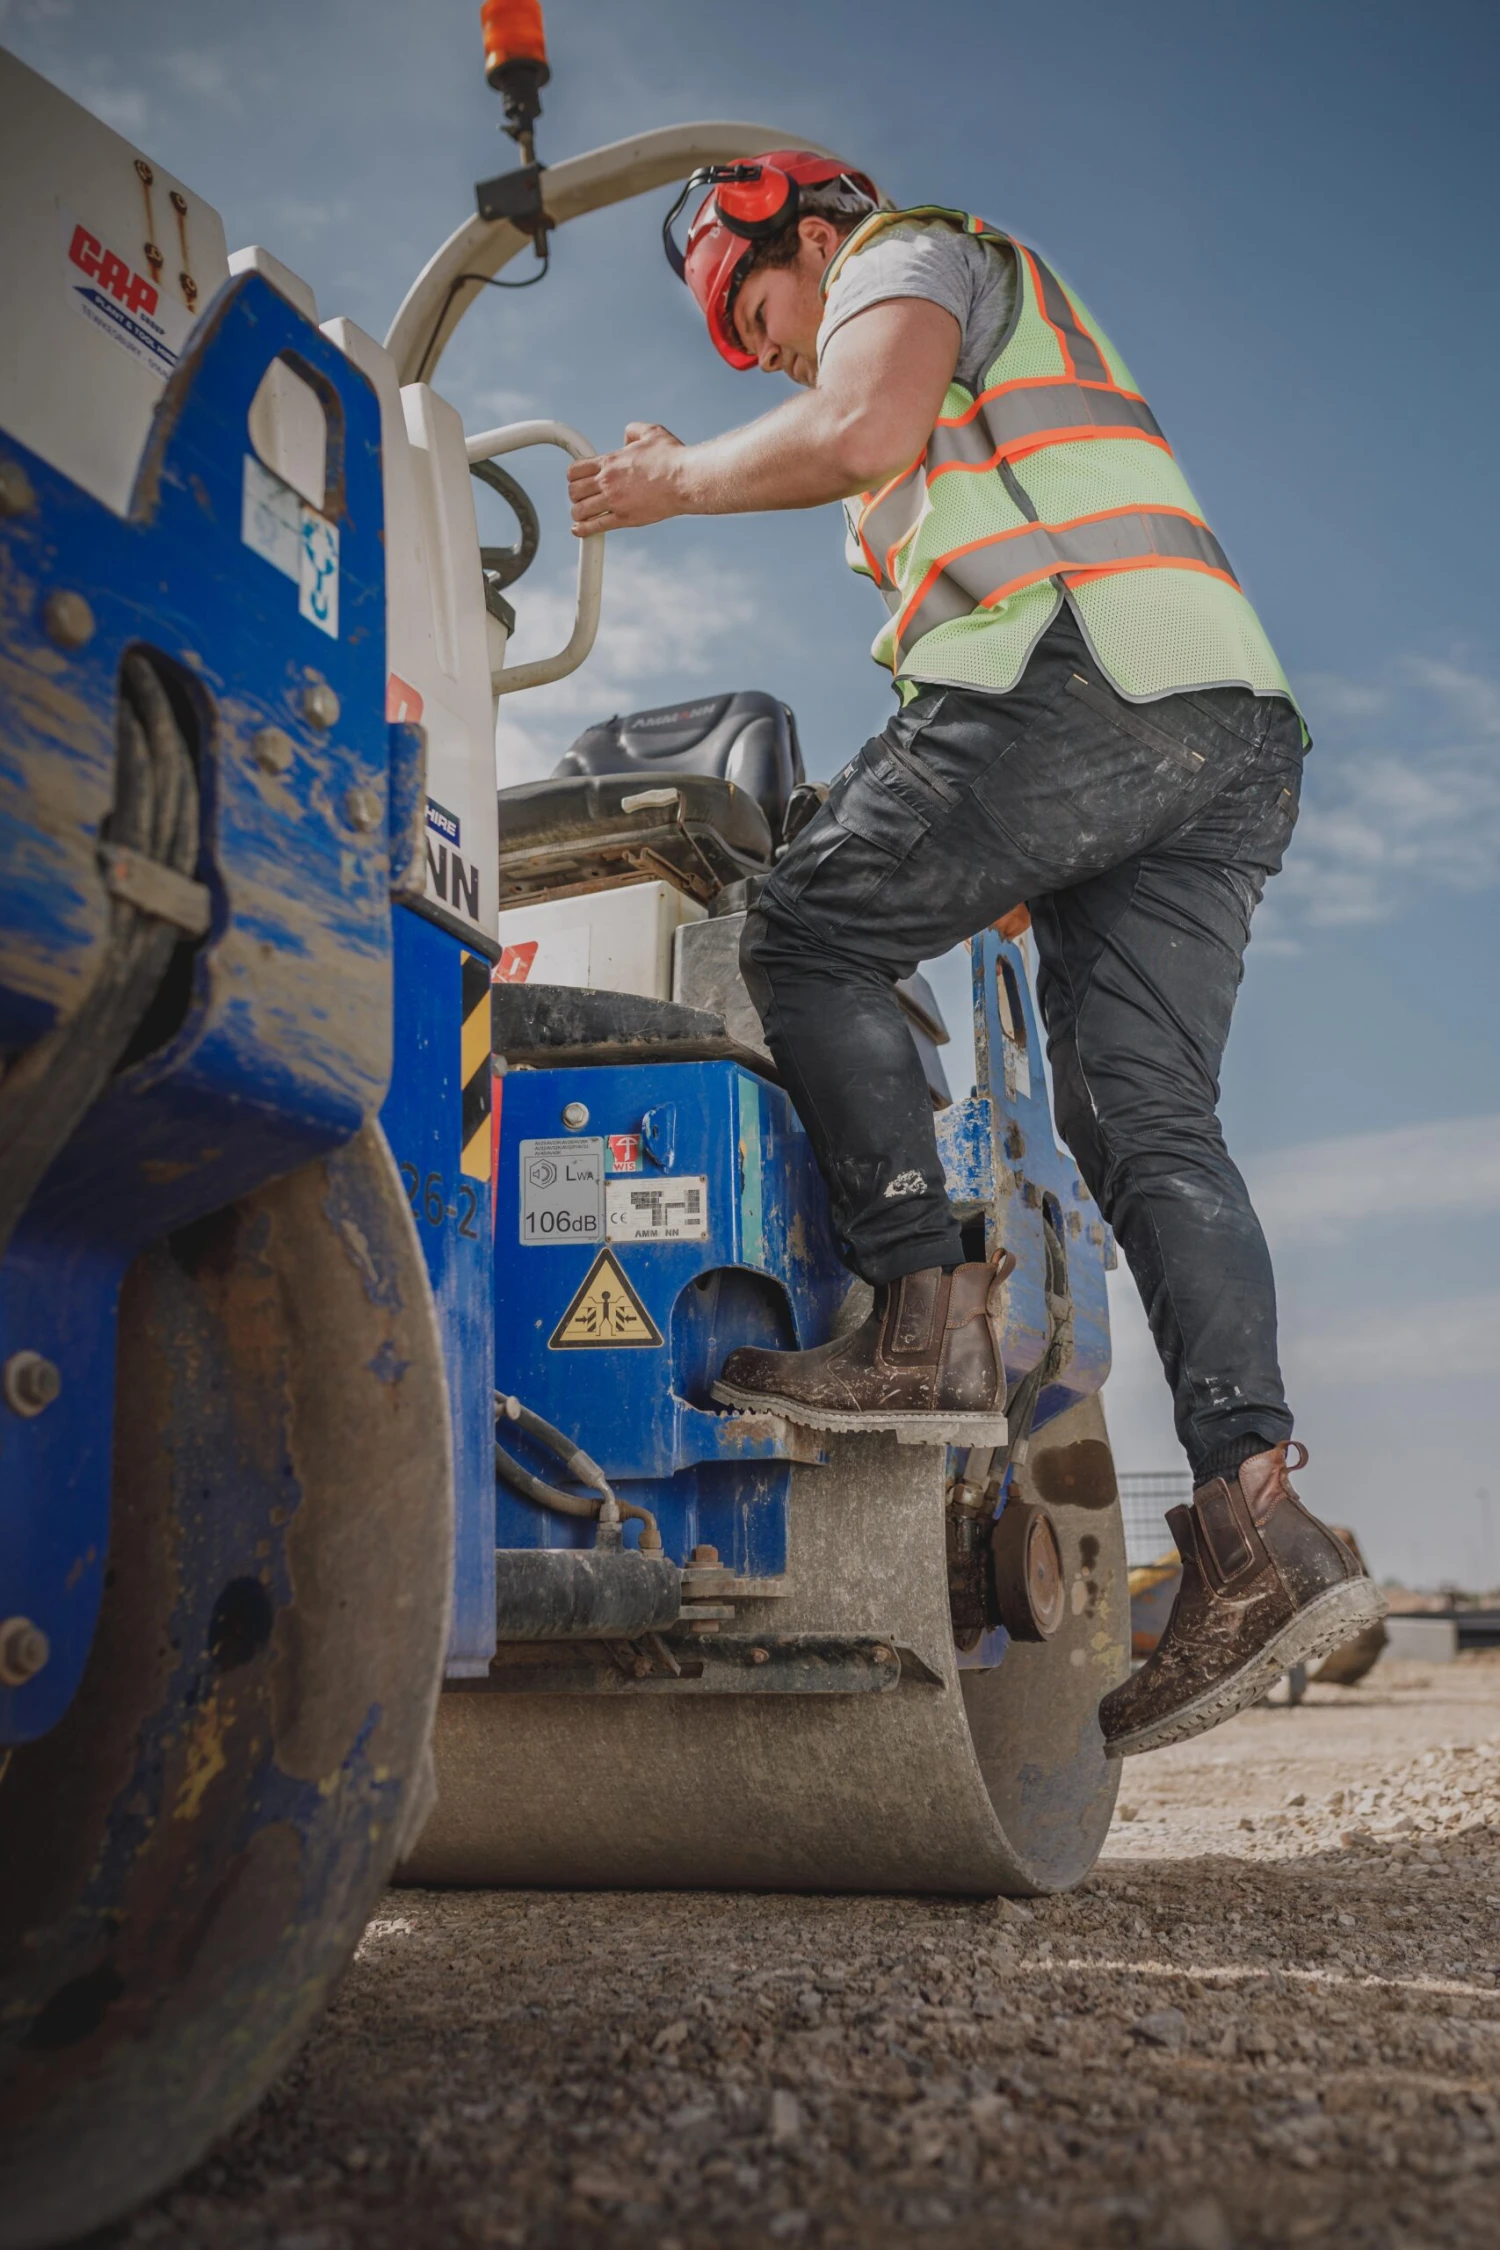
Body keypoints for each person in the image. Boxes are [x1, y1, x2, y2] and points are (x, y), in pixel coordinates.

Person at [566, 155, 1382, 1756]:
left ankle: (915, 1321)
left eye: (762, 310)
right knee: (1141, 1116)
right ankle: (1253, 1517)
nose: (773, 346)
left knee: (799, 929)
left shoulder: (913, 256)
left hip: (1079, 672)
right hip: (1214, 729)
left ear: (814, 236)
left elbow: (858, 428)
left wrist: (672, 480)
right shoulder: (953, 412)